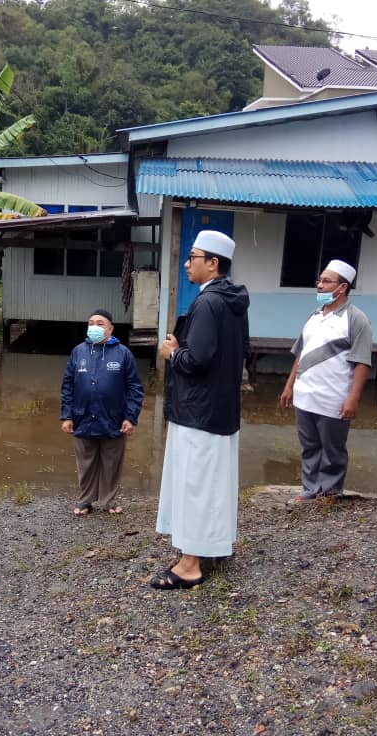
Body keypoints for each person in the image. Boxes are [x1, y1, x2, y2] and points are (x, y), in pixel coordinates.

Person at [153, 230, 249, 590]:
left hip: (199, 412)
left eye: (193, 257)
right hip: (220, 409)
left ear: (213, 263)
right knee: (213, 484)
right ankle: (210, 546)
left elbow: (200, 358)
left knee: (194, 484)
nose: (187, 263)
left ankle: (191, 564)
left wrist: (173, 353)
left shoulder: (209, 303)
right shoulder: (233, 301)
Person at [280, 259, 373, 502]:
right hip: (305, 396)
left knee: (332, 450)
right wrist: (290, 386)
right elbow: (302, 353)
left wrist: (353, 399)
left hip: (333, 398)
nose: (319, 286)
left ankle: (330, 493)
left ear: (342, 287)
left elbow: (362, 362)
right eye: (319, 281)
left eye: (325, 281)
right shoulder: (314, 316)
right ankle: (311, 491)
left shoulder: (356, 319)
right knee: (309, 447)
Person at [60, 308, 144, 516]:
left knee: (111, 462)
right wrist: (67, 415)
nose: (94, 327)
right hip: (82, 417)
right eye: (91, 323)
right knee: (86, 463)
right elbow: (68, 385)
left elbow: (135, 388)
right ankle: (85, 500)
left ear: (110, 328)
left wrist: (130, 417)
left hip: (114, 419)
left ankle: (108, 500)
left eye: (100, 323)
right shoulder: (79, 352)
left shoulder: (123, 353)